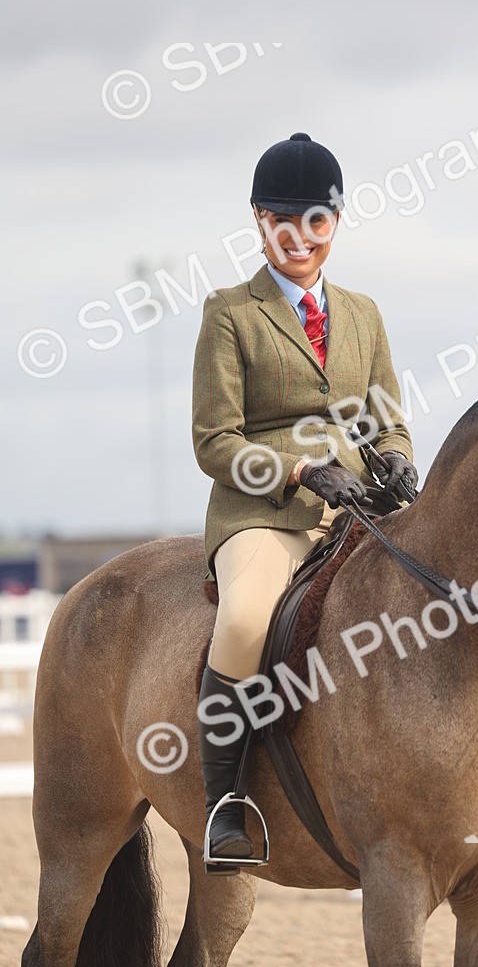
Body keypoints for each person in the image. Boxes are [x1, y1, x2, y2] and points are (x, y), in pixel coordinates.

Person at [191, 132, 417, 864]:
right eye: (283, 221)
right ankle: (226, 801)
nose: (300, 237)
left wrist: (396, 461)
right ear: (259, 221)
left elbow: (389, 420)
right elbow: (214, 443)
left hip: (359, 506)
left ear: (335, 223)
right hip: (266, 515)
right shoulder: (229, 313)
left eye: (315, 221)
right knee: (248, 616)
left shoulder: (364, 313)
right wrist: (297, 470)